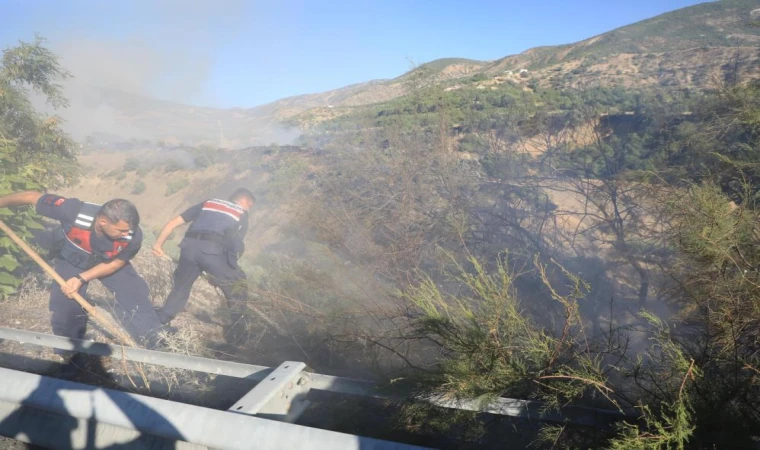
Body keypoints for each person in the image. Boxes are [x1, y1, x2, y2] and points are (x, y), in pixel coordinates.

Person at [0, 191, 166, 356]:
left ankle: (158, 345)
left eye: (128, 230)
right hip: (73, 259)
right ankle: (69, 348)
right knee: (65, 305)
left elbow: (116, 263)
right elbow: (31, 196)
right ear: (103, 221)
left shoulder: (133, 235)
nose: (126, 234)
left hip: (107, 263)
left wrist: (81, 278)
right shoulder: (72, 210)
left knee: (136, 297)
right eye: (121, 230)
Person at [152, 188, 255, 345]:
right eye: (250, 206)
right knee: (238, 286)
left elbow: (174, 222)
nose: (249, 209)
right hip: (212, 252)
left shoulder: (209, 202)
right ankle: (238, 335)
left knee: (181, 287)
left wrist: (158, 245)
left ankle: (161, 319)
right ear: (245, 202)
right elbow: (236, 246)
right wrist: (220, 273)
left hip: (188, 249)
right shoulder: (241, 213)